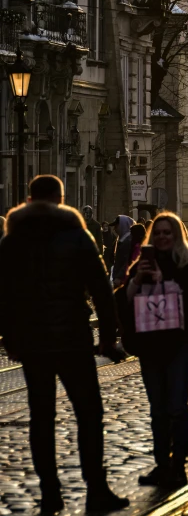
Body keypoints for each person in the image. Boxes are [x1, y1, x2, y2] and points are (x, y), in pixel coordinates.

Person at [0, 175, 128, 514]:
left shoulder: (12, 239)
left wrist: (10, 338)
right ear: (60, 198)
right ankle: (96, 490)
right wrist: (108, 337)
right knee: (89, 413)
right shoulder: (77, 235)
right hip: (72, 336)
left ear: (29, 198)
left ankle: (50, 493)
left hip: (32, 341)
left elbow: (4, 296)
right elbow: (101, 289)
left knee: (41, 417)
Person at [120, 212, 188, 490]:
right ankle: (161, 464)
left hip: (180, 342)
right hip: (150, 344)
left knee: (177, 406)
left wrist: (163, 280)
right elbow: (124, 299)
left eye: (168, 232)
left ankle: (177, 465)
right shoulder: (144, 262)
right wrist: (138, 279)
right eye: (158, 233)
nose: (163, 237)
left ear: (177, 235)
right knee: (158, 409)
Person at [111, 214, 135, 287]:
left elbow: (127, 261)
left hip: (123, 280)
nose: (114, 229)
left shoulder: (127, 241)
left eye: (116, 226)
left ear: (122, 225)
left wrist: (119, 277)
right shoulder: (122, 239)